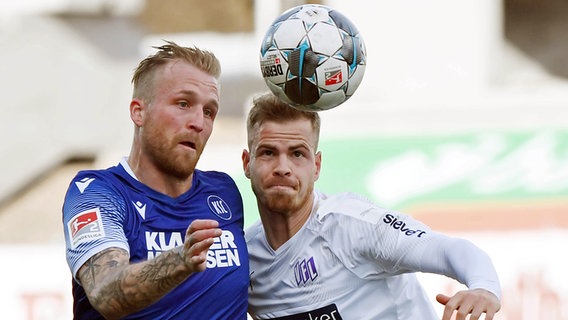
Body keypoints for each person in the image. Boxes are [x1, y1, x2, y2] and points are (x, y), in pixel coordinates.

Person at [242, 92, 501, 320]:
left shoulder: (353, 226)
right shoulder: (245, 260)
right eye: (268, 153)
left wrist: (483, 287)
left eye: (298, 153)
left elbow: (446, 249)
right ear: (246, 163)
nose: (283, 168)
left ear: (317, 166)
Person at [62, 41, 249, 319]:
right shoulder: (99, 192)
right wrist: (180, 260)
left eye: (209, 111)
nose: (199, 122)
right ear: (139, 112)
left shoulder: (224, 193)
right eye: (183, 104)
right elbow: (105, 292)